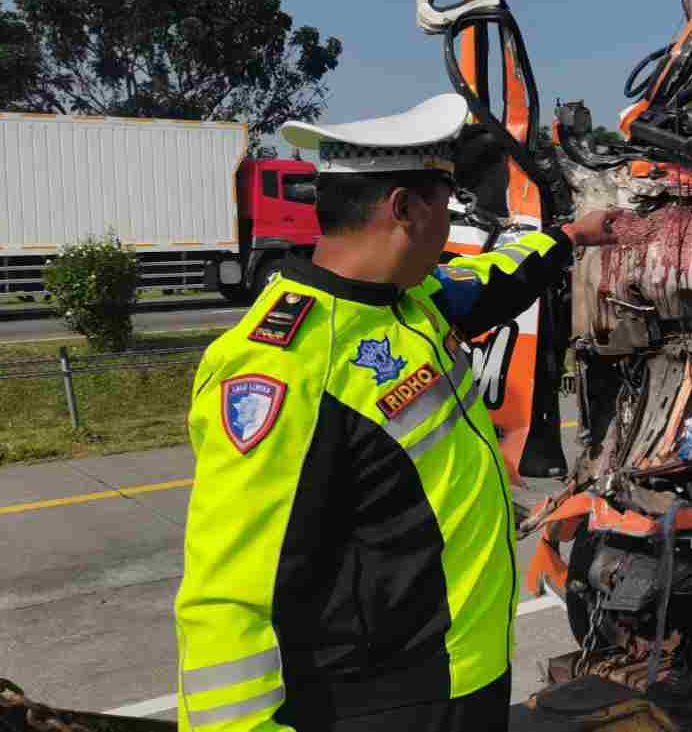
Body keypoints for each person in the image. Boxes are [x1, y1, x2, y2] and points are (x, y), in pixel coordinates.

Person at [173, 93, 617, 732]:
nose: (455, 222)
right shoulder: (282, 368)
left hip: (464, 671)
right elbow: (232, 594)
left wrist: (571, 236)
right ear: (405, 208)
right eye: (448, 202)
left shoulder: (409, 300)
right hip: (385, 700)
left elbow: (494, 278)